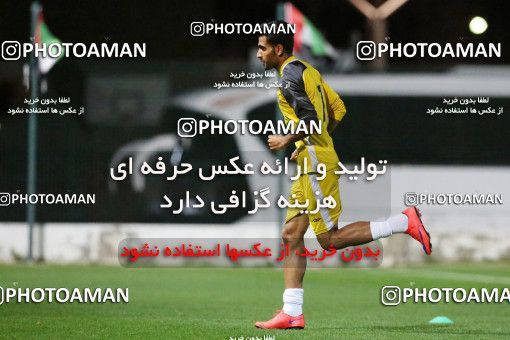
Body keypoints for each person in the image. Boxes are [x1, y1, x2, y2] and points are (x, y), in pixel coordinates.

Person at [254, 20, 432, 330]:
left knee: (329, 239)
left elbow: (310, 119)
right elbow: (337, 109)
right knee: (291, 235)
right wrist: (311, 142)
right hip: (312, 158)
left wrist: (288, 140)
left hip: (315, 163)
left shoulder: (287, 79)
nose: (258, 54)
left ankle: (404, 222)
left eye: (262, 48)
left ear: (278, 49)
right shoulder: (308, 71)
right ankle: (292, 312)